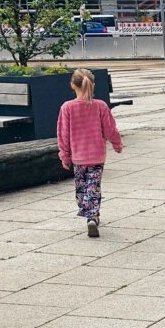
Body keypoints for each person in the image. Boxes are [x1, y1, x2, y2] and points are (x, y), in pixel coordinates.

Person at [56, 69, 123, 238]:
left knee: (81, 188)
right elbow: (110, 128)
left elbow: (63, 134)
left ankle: (89, 212)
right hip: (97, 155)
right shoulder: (100, 106)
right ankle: (92, 216)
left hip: (78, 157)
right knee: (93, 186)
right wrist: (117, 144)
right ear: (93, 85)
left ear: (72, 85)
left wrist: (64, 155)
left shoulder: (67, 107)